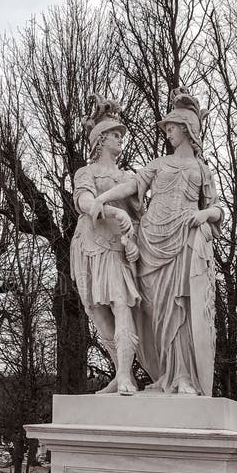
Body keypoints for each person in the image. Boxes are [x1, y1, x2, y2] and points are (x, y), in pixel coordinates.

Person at [90, 87, 223, 395]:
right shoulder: (158, 164)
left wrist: (206, 215)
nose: (169, 133)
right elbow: (133, 185)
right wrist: (104, 197)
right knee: (156, 314)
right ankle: (164, 374)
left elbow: (216, 207)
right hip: (151, 243)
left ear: (188, 129)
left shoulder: (201, 169)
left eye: (173, 128)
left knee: (181, 311)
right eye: (167, 129)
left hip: (183, 242)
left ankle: (183, 376)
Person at [71, 95, 142, 395]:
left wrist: (134, 239)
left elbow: (139, 217)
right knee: (98, 315)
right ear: (100, 140)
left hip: (116, 250)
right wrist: (111, 209)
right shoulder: (85, 173)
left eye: (120, 135)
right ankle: (119, 372)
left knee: (121, 305)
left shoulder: (128, 177)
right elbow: (84, 201)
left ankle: (126, 375)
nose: (120, 139)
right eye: (115, 134)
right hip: (88, 246)